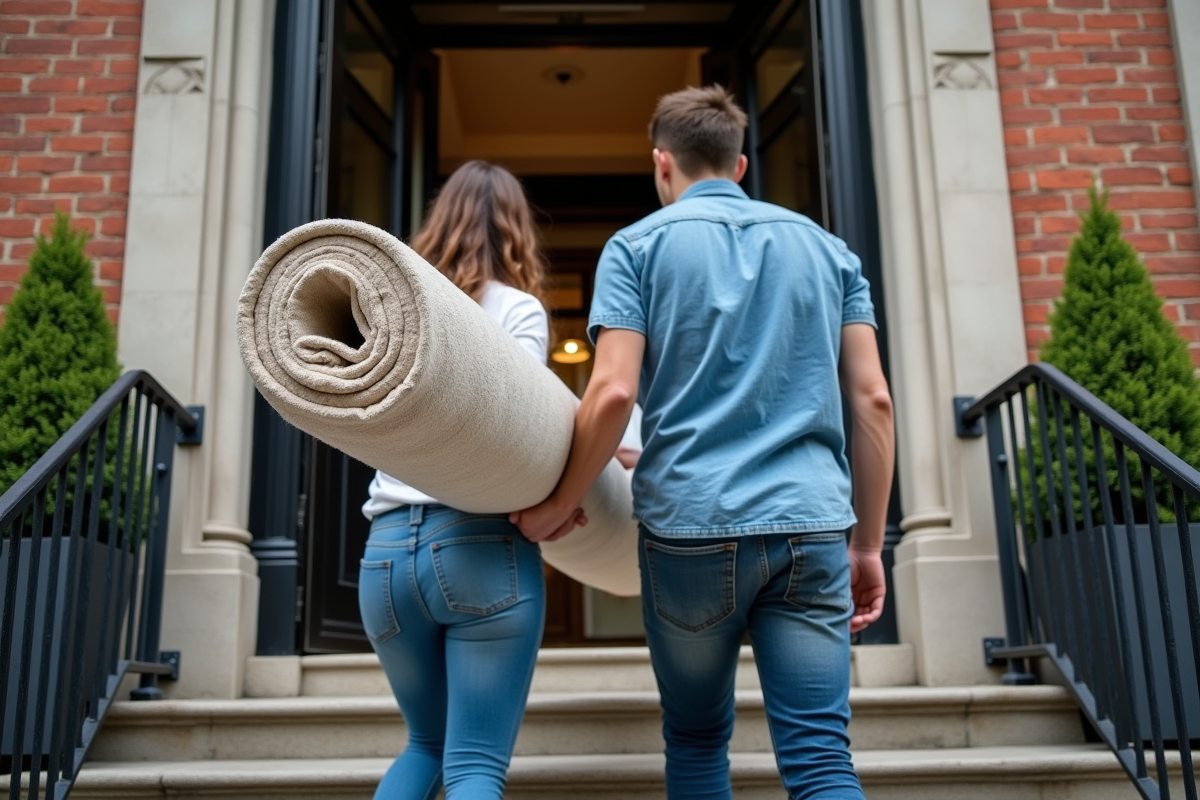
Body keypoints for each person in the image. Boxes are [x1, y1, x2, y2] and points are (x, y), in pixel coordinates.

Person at [511, 86, 896, 800]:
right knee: (819, 756)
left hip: (689, 528)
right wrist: (867, 546)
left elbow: (613, 392)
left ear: (663, 165)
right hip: (811, 525)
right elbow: (872, 399)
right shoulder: (829, 251)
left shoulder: (636, 248)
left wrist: (560, 504)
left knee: (694, 741)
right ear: (741, 164)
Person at [359, 160, 549, 800]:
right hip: (475, 544)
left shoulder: (396, 314)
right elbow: (514, 432)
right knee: (472, 767)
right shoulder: (517, 311)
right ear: (517, 231)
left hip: (383, 557)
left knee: (424, 746)